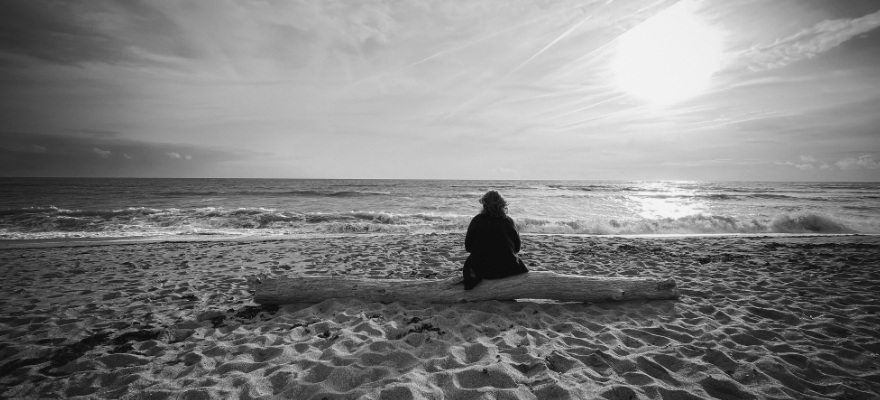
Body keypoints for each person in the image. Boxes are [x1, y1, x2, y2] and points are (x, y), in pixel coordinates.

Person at [462, 190, 528, 290]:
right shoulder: (509, 221)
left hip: (484, 269)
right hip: (508, 268)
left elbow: (468, 247)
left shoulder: (477, 220)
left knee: (470, 263)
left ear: (484, 204)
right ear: (502, 204)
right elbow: (517, 248)